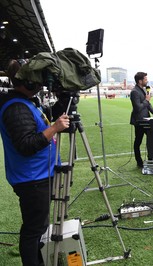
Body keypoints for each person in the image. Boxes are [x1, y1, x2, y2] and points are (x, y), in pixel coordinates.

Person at [1, 59, 70, 266]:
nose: (40, 84)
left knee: (39, 227)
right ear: (26, 82)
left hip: (37, 175)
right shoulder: (16, 108)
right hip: (32, 179)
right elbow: (26, 144)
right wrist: (55, 128)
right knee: (33, 230)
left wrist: (63, 102)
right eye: (36, 79)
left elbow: (41, 124)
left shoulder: (24, 102)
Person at [130, 72, 153, 168]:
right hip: (139, 121)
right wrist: (146, 100)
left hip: (146, 120)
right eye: (145, 79)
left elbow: (147, 103)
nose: (147, 81)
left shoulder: (143, 90)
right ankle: (139, 162)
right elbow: (138, 108)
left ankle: (151, 159)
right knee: (138, 141)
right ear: (140, 81)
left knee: (152, 139)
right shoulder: (134, 92)